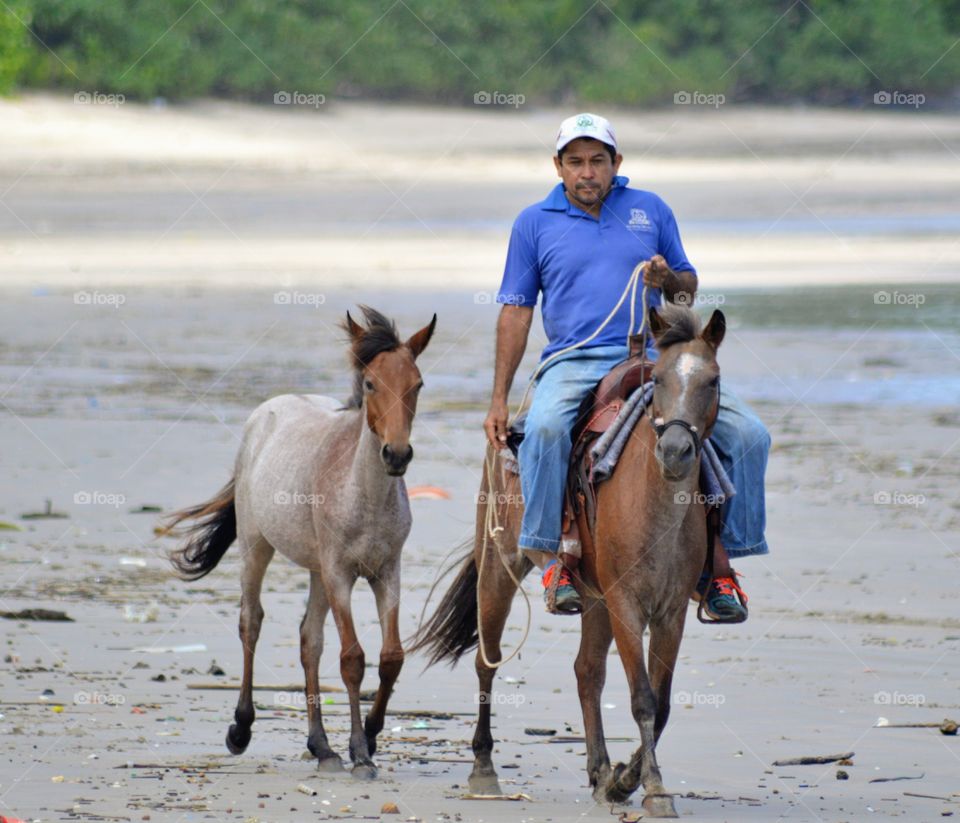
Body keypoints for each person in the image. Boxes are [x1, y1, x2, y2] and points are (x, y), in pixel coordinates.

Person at [483, 113, 770, 622]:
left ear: (617, 164)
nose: (587, 172)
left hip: (655, 359)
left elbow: (686, 291)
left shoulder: (650, 209)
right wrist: (499, 397)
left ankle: (721, 567)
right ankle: (552, 558)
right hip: (574, 360)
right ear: (558, 166)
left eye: (597, 161)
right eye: (575, 162)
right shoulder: (533, 222)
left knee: (751, 435)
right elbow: (517, 310)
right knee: (547, 428)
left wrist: (666, 277)